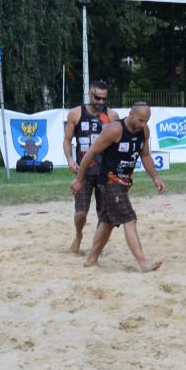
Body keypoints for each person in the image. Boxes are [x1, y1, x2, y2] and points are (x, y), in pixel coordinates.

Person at [69, 102, 165, 272]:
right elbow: (90, 153)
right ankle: (143, 263)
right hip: (109, 181)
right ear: (131, 114)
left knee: (107, 222)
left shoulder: (144, 130)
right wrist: (79, 179)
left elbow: (145, 156)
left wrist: (156, 178)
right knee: (130, 219)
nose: (143, 124)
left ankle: (91, 259)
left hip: (123, 182)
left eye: (146, 120)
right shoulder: (114, 129)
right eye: (141, 120)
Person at [62, 79, 116, 255]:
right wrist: (70, 159)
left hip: (104, 172)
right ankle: (78, 235)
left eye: (104, 98)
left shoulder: (112, 116)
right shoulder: (76, 114)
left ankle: (95, 247)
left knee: (103, 213)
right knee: (81, 213)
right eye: (97, 98)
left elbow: (116, 143)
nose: (101, 102)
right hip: (83, 171)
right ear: (89, 94)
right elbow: (67, 140)